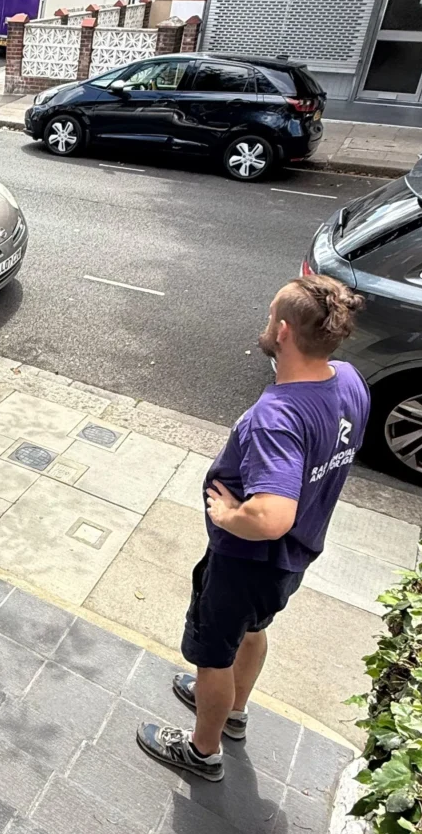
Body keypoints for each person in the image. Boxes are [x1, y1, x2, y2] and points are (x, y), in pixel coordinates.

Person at [137, 274, 369, 782]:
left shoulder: (278, 416)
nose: (266, 325)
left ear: (284, 332)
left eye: (270, 318)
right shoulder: (349, 381)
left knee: (212, 654)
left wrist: (227, 516)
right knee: (253, 630)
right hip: (293, 558)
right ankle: (233, 712)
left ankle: (203, 751)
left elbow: (270, 516)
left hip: (247, 562)